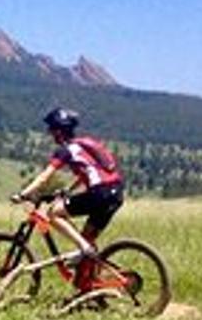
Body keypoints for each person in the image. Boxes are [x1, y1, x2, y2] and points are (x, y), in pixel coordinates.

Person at [13, 107, 124, 278]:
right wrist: (68, 190)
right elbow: (90, 171)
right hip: (115, 193)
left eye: (51, 129)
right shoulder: (83, 145)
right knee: (87, 238)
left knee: (53, 213)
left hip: (100, 194)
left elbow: (44, 177)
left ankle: (84, 248)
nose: (50, 133)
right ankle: (88, 284)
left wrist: (23, 194)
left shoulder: (65, 150)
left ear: (58, 131)